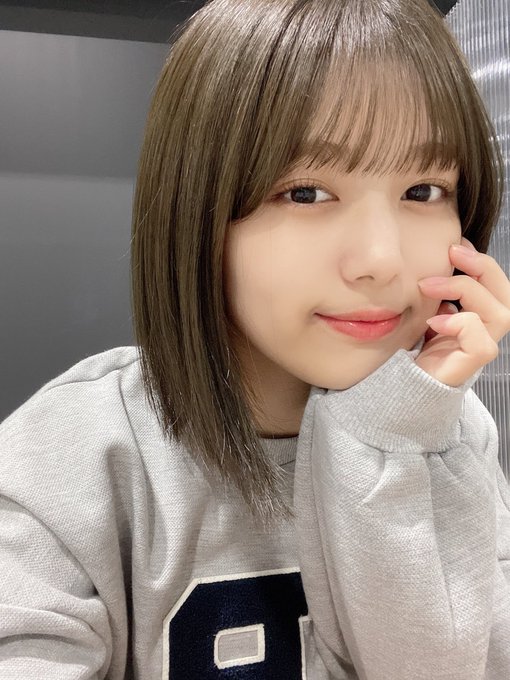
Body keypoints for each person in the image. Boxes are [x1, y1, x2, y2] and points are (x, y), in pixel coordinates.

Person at [1, 0, 509, 677]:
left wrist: (391, 438)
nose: (381, 260)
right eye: (305, 193)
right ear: (196, 208)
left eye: (422, 190)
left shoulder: (450, 431)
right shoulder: (72, 457)